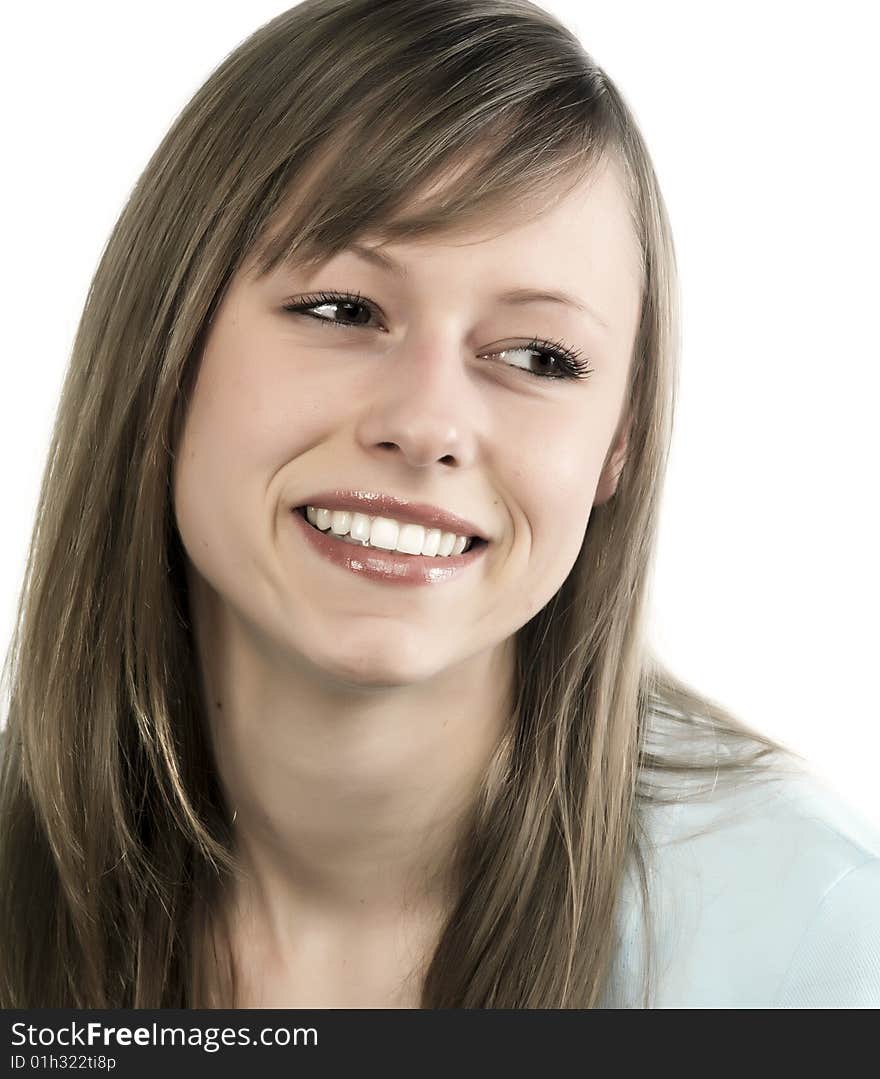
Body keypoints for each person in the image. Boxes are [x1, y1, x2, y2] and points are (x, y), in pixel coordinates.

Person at [1, 0, 877, 1009]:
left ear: (617, 445)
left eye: (537, 357)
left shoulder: (822, 946)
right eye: (341, 309)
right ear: (164, 343)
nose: (426, 423)